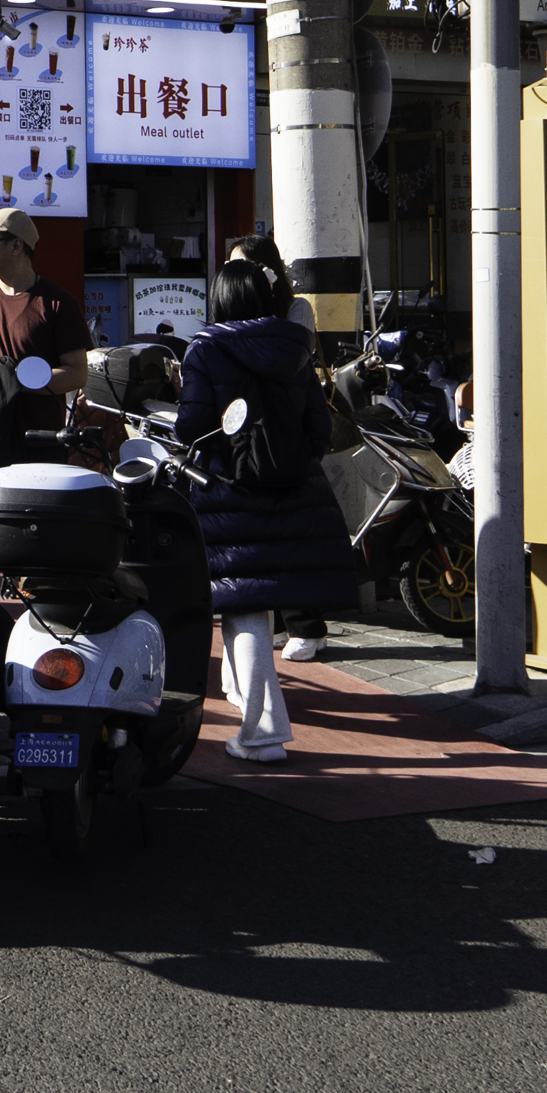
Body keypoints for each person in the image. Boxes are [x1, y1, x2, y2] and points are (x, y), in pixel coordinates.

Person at [175, 259, 364, 763]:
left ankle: (261, 735)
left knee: (244, 611)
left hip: (229, 493)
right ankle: (250, 712)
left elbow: (191, 427)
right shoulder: (296, 346)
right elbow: (319, 429)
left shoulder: (206, 347)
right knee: (258, 606)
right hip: (295, 489)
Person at [223, 232, 331, 661]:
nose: (237, 276)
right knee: (264, 536)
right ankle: (285, 622)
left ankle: (310, 626)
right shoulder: (231, 309)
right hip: (250, 432)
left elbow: (288, 362)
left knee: (291, 532)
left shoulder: (294, 309)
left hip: (288, 428)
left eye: (245, 267)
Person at [0, 207, 93, 439]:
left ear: (15, 246)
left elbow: (76, 374)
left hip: (39, 444)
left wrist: (12, 381)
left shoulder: (59, 303)